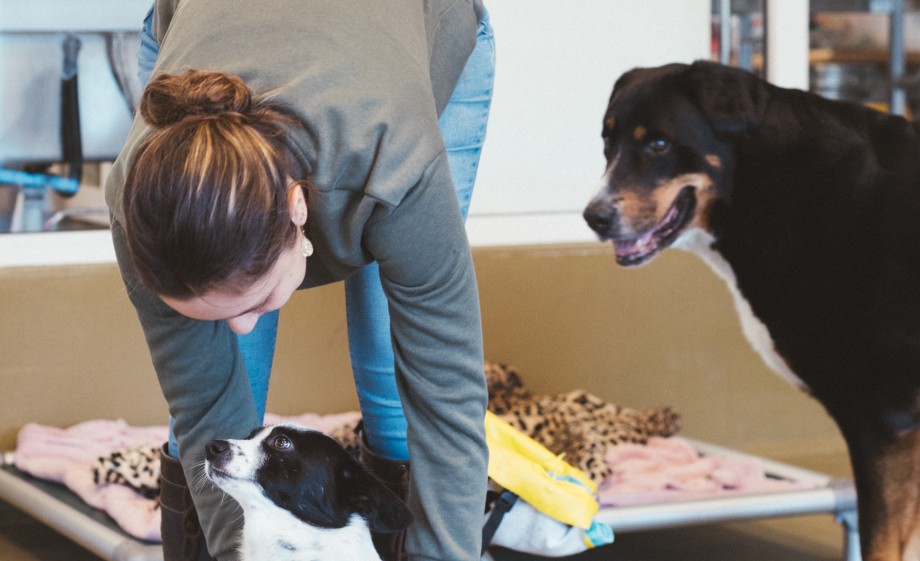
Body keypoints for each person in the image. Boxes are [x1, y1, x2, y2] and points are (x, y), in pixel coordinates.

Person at [104, 1, 495, 560]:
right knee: (233, 393)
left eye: (256, 298)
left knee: (392, 379)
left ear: (296, 210)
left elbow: (446, 396)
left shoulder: (393, 164)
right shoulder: (143, 206)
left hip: (410, 45)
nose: (239, 329)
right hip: (205, 25)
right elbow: (204, 403)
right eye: (213, 312)